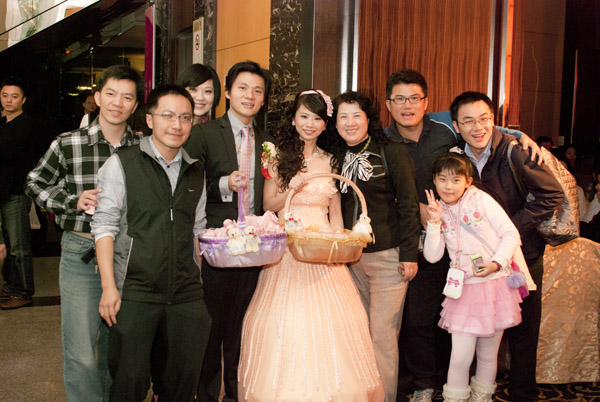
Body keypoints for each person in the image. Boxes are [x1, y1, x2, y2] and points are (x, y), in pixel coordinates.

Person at [383, 69, 543, 402]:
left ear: (426, 102)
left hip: (473, 252)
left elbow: (478, 124)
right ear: (388, 104)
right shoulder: (384, 141)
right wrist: (428, 218)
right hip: (428, 238)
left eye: (414, 98)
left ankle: (459, 386)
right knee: (420, 319)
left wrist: (519, 135)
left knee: (468, 335)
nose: (407, 105)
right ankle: (425, 383)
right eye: (399, 99)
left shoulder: (444, 128)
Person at [239, 89, 384, 402]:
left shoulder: (330, 159)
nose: (310, 123)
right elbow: (269, 205)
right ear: (293, 119)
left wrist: (339, 245)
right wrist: (290, 187)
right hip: (289, 249)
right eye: (304, 116)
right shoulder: (277, 156)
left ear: (324, 124)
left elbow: (334, 211)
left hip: (324, 249)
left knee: (336, 322)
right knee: (288, 321)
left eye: (317, 118)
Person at [25, 65, 143, 402]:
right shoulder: (68, 143)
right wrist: (71, 201)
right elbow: (35, 182)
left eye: (127, 97)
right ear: (97, 97)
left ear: (136, 105)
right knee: (80, 351)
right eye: (111, 94)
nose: (118, 103)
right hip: (81, 251)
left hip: (127, 256)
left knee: (116, 349)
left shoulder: (143, 147)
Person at [91, 84, 211, 401]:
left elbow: (197, 228)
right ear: (149, 119)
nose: (177, 125)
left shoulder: (196, 171)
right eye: (168, 115)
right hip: (136, 291)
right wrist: (109, 287)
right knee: (128, 384)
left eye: (185, 118)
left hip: (186, 295)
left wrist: (197, 283)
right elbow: (104, 226)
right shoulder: (122, 163)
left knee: (181, 386)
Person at [451, 91, 563, 402]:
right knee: (484, 327)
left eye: (484, 119)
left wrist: (510, 229)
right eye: (468, 121)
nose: (478, 128)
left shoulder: (515, 151)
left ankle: (523, 394)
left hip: (522, 255)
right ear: (456, 126)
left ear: (493, 120)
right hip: (481, 263)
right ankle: (481, 390)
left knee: (523, 331)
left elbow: (552, 195)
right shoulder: (456, 156)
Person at [184, 60, 273, 402]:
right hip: (217, 246)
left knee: (242, 326)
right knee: (212, 327)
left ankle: (235, 394)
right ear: (229, 92)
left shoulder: (267, 141)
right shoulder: (204, 133)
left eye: (257, 91)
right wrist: (224, 183)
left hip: (254, 249)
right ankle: (207, 394)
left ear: (263, 99)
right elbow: (190, 186)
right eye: (243, 88)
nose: (250, 96)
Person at [325, 90, 420, 402]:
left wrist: (409, 254)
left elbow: (409, 205)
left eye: (357, 115)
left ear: (369, 119)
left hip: (388, 257)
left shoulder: (390, 151)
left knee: (382, 335)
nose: (350, 122)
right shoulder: (334, 155)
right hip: (351, 260)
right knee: (359, 333)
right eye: (343, 116)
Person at [423, 151, 525, 402]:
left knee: (488, 356)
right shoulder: (438, 210)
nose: (448, 186)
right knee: (460, 357)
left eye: (456, 180)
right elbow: (432, 256)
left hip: (494, 286)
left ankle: (482, 399)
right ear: (434, 180)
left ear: (468, 181)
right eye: (442, 179)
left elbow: (511, 234)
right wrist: (434, 222)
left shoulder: (481, 199)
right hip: (464, 290)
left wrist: (496, 263)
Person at [0, 76, 36, 309]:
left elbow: (8, 151)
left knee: (18, 246)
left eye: (14, 96)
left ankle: (23, 291)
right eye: (5, 96)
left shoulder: (27, 124)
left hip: (16, 191)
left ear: (23, 99)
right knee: (5, 245)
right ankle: (11, 285)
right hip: (1, 190)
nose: (9, 100)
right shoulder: (2, 121)